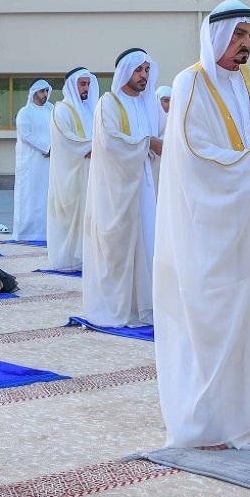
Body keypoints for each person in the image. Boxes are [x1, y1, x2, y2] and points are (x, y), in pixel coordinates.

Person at [155, 0, 250, 448]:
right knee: (216, 314)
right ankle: (214, 420)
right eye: (239, 36)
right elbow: (195, 152)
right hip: (210, 225)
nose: (246, 45)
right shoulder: (189, 83)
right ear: (217, 35)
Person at [81, 48, 161, 327]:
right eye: (138, 70)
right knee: (117, 247)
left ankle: (143, 306)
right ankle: (116, 308)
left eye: (147, 71)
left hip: (144, 187)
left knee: (148, 243)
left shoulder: (144, 104)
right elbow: (111, 142)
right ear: (125, 72)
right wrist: (147, 144)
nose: (143, 76)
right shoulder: (108, 103)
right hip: (116, 191)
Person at [46, 67, 96, 271]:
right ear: (72, 85)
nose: (86, 88)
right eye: (82, 84)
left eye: (88, 84)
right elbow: (66, 140)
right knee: (70, 217)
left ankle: (86, 256)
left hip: (89, 172)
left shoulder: (88, 109)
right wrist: (90, 146)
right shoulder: (62, 109)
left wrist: (94, 146)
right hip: (70, 174)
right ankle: (66, 259)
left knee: (88, 214)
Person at [12, 80, 52, 241]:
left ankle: (46, 232)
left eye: (46, 91)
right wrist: (45, 147)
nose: (45, 95)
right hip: (31, 161)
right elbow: (25, 135)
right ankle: (25, 233)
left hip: (49, 161)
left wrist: (54, 148)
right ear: (34, 92)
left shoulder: (52, 109)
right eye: (42, 91)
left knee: (46, 196)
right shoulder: (25, 112)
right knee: (29, 196)